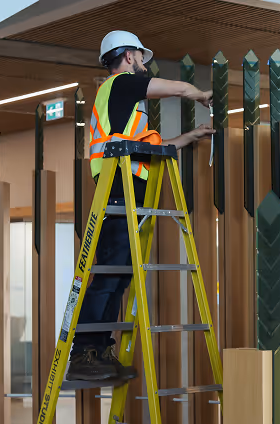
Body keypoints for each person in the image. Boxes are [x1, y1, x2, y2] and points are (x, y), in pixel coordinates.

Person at [67, 30, 215, 382]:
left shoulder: (124, 108)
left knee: (118, 277)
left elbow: (154, 148)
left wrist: (191, 137)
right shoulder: (120, 85)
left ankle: (99, 349)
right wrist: (199, 94)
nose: (144, 64)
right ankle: (84, 351)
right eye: (141, 57)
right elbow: (177, 89)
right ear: (129, 57)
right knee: (108, 277)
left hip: (125, 196)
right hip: (115, 194)